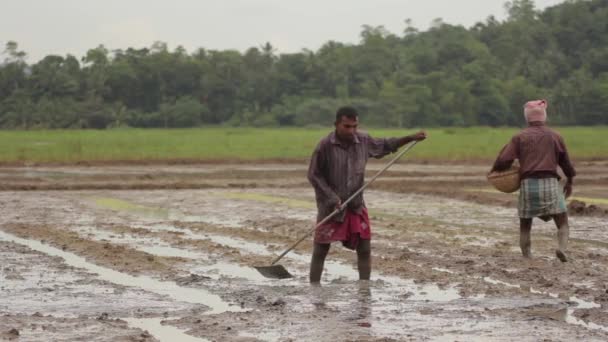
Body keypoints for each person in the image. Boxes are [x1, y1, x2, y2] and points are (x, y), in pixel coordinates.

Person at [307, 106, 426, 283]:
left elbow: (386, 145)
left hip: (355, 204)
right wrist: (332, 198)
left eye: (354, 126)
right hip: (331, 206)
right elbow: (314, 175)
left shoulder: (363, 140)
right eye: (347, 126)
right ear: (336, 124)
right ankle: (314, 287)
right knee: (321, 249)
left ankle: (364, 288)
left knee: (364, 249)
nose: (351, 131)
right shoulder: (325, 146)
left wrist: (410, 138)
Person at [491, 99, 576, 262]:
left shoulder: (519, 137)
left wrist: (495, 169)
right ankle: (562, 248)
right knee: (562, 221)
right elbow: (566, 163)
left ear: (527, 118)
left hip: (528, 185)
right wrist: (570, 181)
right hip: (550, 184)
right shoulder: (555, 136)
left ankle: (527, 255)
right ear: (544, 117)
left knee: (525, 224)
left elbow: (503, 161)